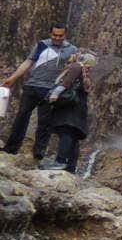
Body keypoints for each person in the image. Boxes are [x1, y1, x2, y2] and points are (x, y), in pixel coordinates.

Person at [2, 25, 77, 159]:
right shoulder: (42, 45)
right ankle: (11, 148)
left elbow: (72, 70)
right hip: (32, 85)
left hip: (51, 89)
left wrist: (72, 63)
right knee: (21, 116)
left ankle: (39, 152)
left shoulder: (72, 49)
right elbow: (28, 62)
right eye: (54, 35)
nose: (57, 38)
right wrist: (12, 78)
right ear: (50, 34)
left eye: (60, 35)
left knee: (45, 122)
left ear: (65, 35)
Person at [41, 51, 96, 173]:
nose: (70, 55)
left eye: (73, 54)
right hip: (79, 107)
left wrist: (55, 94)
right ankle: (70, 167)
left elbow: (67, 82)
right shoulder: (85, 72)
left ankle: (60, 162)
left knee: (66, 131)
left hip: (70, 106)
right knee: (73, 135)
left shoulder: (76, 66)